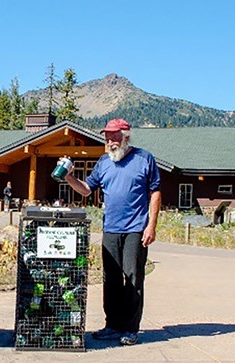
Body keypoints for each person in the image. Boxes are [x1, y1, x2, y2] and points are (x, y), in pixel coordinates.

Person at [63, 118, 161, 346]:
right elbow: (87, 190)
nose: (109, 141)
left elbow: (155, 192)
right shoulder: (104, 162)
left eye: (114, 136)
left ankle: (130, 328)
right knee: (111, 279)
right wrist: (68, 177)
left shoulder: (144, 159)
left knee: (133, 277)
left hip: (136, 229)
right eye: (107, 136)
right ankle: (113, 325)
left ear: (126, 136)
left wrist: (152, 226)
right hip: (111, 230)